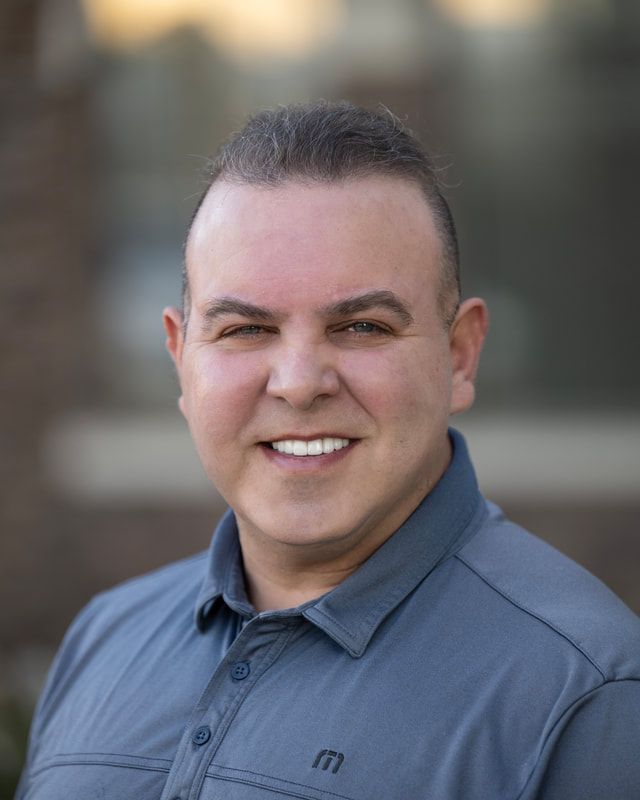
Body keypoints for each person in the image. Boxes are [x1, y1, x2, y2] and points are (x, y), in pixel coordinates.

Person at [17, 101, 640, 800]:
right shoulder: (105, 639)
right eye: (246, 330)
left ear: (460, 357)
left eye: (362, 327)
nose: (299, 384)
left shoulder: (587, 694)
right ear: (179, 359)